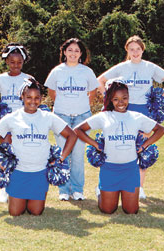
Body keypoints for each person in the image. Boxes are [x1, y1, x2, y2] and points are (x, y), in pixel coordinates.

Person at [97, 35, 164, 199]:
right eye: (131, 49)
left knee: (141, 148)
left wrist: (161, 100)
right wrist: (109, 99)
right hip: (122, 110)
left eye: (138, 49)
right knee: (114, 146)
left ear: (142, 50)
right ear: (127, 50)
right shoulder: (122, 67)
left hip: (143, 112)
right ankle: (102, 185)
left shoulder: (150, 67)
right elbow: (100, 80)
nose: (135, 52)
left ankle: (139, 187)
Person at [0, 78, 77, 216]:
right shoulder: (12, 117)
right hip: (18, 172)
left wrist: (61, 158)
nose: (33, 101)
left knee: (36, 212)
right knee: (15, 212)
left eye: (37, 98)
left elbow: (72, 135)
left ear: (41, 98)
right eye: (28, 97)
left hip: (39, 172)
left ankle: (31, 197)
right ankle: (15, 195)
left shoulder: (48, 117)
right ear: (22, 97)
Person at [74, 79, 164, 214]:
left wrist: (144, 145)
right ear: (110, 99)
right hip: (109, 169)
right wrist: (96, 144)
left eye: (124, 98)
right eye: (116, 99)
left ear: (129, 98)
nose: (121, 102)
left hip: (130, 169)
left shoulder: (136, 117)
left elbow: (161, 130)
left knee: (131, 210)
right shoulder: (104, 116)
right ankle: (100, 191)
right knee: (108, 210)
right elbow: (78, 130)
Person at [44, 38, 99, 201]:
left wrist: (81, 106)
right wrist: (64, 106)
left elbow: (93, 92)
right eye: (70, 50)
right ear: (64, 52)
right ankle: (63, 190)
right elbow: (51, 92)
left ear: (81, 53)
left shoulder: (87, 72)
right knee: (63, 154)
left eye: (77, 50)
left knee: (77, 154)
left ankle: (77, 190)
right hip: (61, 117)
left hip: (82, 118)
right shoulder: (57, 71)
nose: (73, 53)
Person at [0, 43, 32, 203]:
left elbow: (34, 97)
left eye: (19, 62)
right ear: (6, 61)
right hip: (5, 121)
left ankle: (20, 186)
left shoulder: (28, 79)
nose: (16, 65)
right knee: (5, 152)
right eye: (12, 62)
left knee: (22, 153)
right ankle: (4, 187)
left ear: (23, 62)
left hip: (23, 120)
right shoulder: (0, 79)